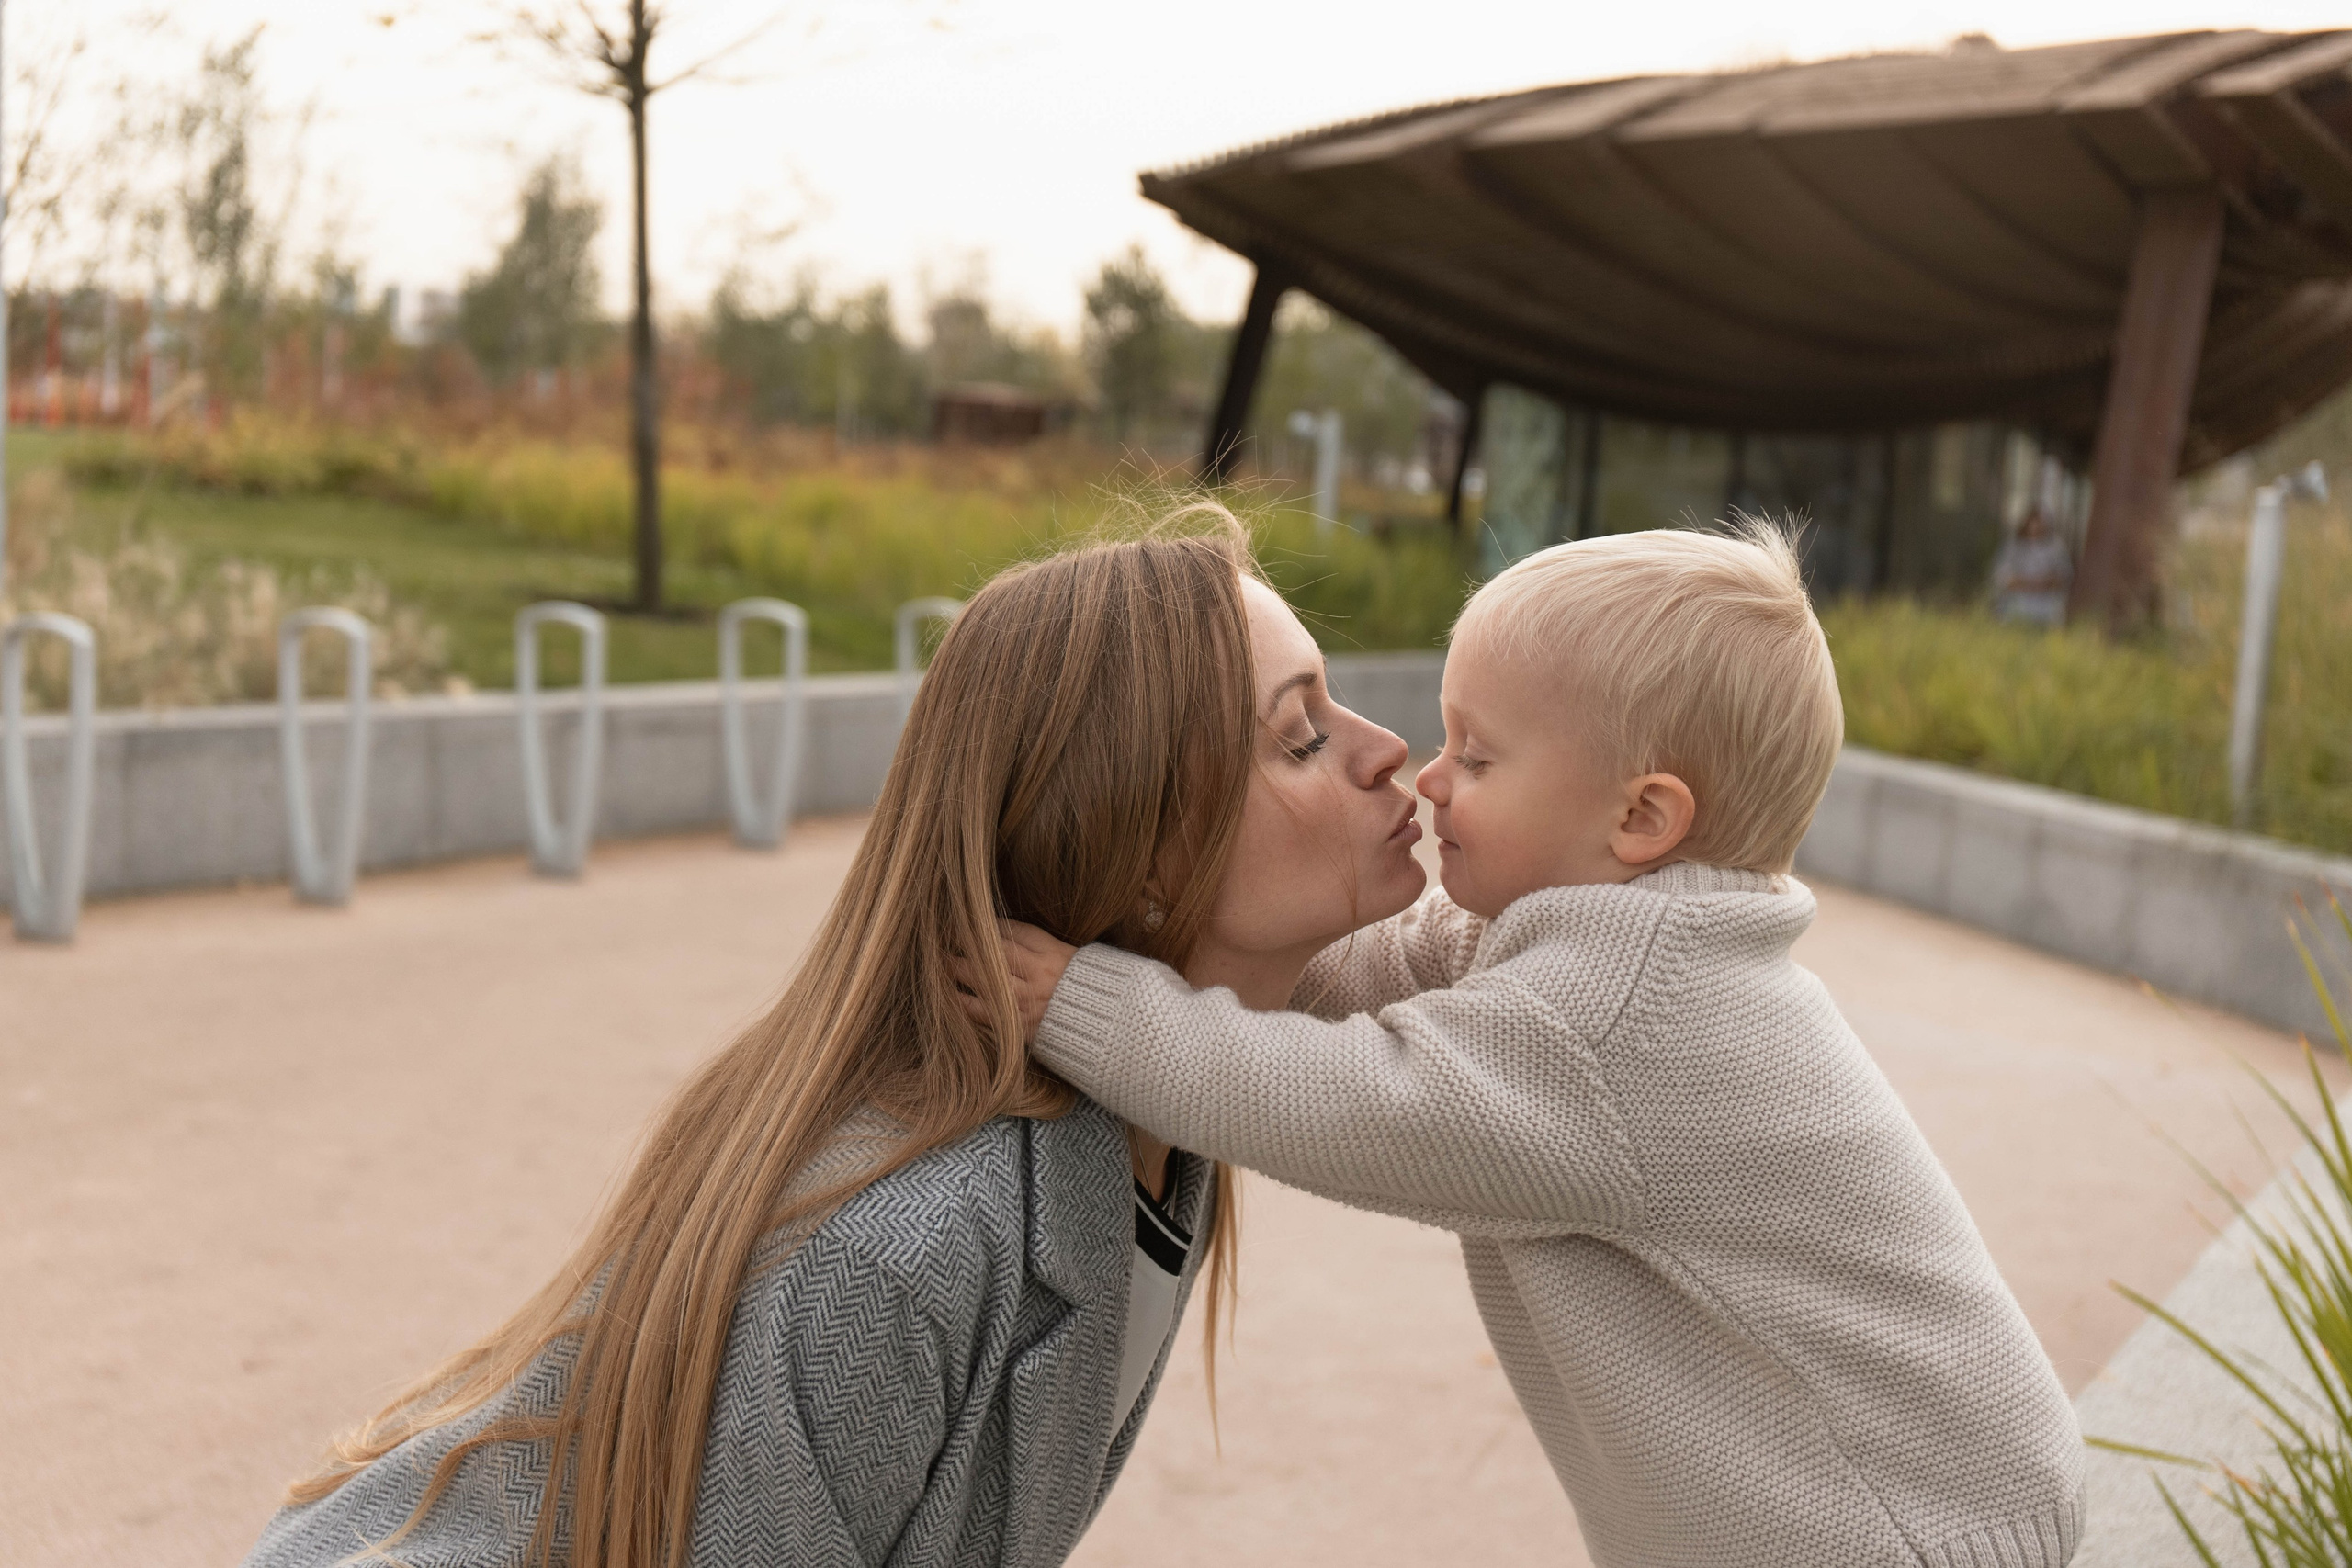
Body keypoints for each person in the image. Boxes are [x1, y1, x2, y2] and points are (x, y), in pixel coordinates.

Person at [241, 512, 1428, 1568]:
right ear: (1149, 857)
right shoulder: (907, 1243)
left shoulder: (1165, 1128)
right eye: (1302, 736)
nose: (1391, 749)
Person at [983, 524, 2085, 1568]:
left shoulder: (1625, 1021)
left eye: (1479, 756)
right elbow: (1359, 982)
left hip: (1896, 1532)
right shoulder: (1587, 942)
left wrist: (1088, 1003)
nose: (1429, 776)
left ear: (1640, 820)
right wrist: (1208, 934)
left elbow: (1350, 1105)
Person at [1991, 507, 2075, 626]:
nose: (2035, 527)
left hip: (2045, 609)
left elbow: (2063, 576)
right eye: (2032, 522)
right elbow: (2002, 576)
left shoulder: (2056, 548)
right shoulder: (2013, 546)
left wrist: (2041, 584)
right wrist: (2026, 584)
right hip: (2016, 605)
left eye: (2039, 523)